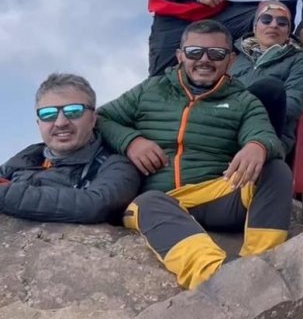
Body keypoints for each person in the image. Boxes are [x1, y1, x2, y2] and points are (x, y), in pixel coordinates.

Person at [97, 20, 290, 290]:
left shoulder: (243, 100)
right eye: (194, 52)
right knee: (150, 202)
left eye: (216, 54)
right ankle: (218, 281)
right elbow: (101, 118)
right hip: (156, 199)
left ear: (231, 61)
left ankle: (260, 265)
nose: (204, 60)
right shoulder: (150, 90)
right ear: (179, 55)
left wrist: (257, 145)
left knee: (276, 169)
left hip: (214, 193)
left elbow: (267, 136)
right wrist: (132, 141)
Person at [0, 74, 139, 224]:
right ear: (38, 123)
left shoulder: (117, 165)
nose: (61, 122)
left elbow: (94, 206)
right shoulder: (28, 157)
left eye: (74, 111)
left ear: (93, 119)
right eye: (48, 114)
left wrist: (5, 193)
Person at [229, 0, 303, 155]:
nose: (273, 25)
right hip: (224, 128)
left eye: (282, 22)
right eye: (266, 19)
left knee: (270, 88)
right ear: (255, 26)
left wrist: (244, 113)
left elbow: (292, 105)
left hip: (269, 135)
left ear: (289, 31)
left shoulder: (299, 60)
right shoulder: (233, 56)